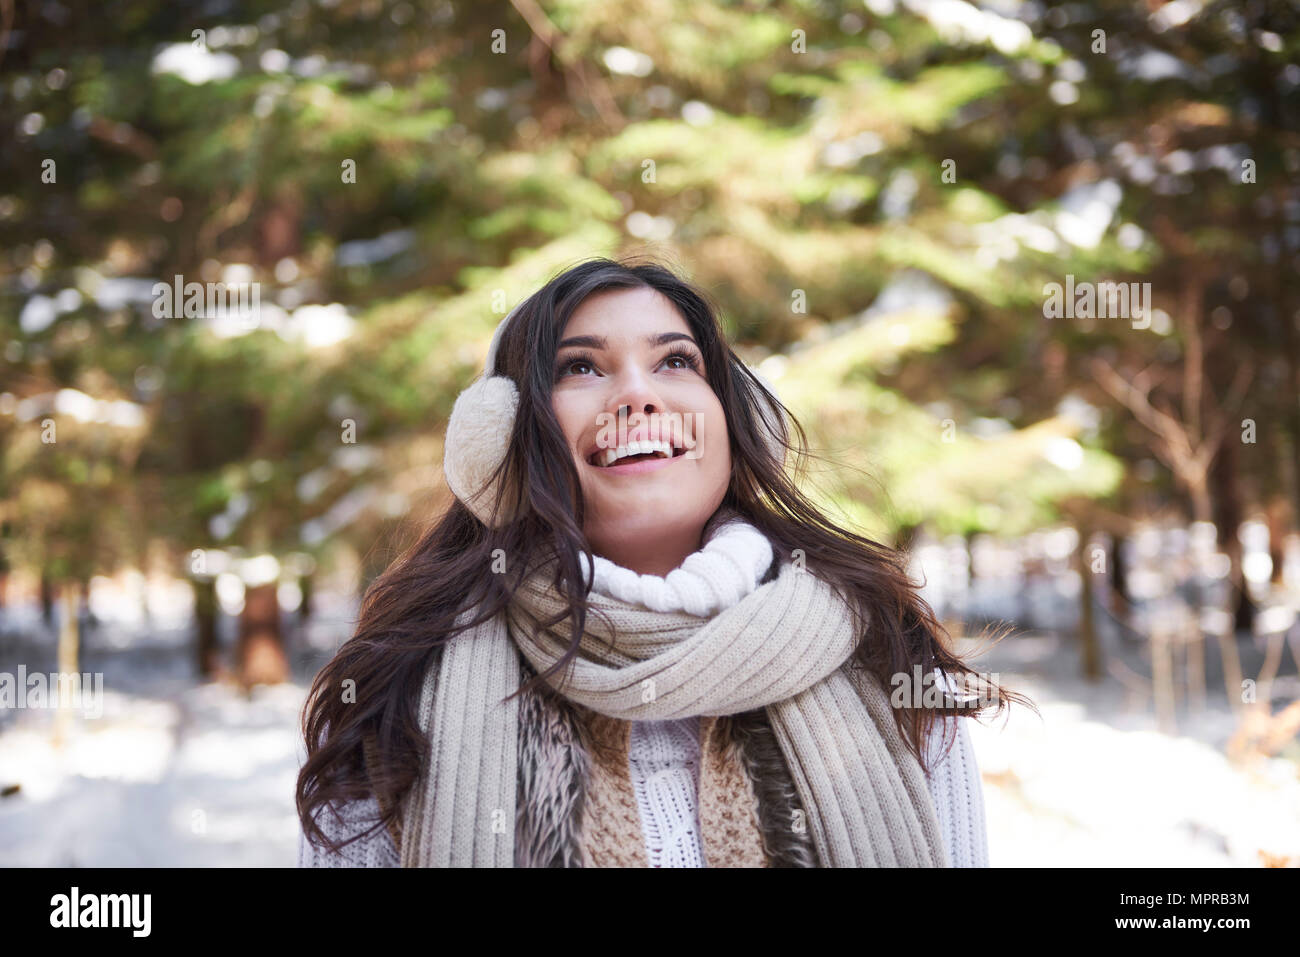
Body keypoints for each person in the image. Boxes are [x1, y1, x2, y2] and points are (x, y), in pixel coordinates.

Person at [296, 256, 1021, 867]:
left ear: (738, 420)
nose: (638, 394)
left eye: (675, 360)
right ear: (503, 437)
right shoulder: (398, 706)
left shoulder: (882, 660)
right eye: (580, 366)